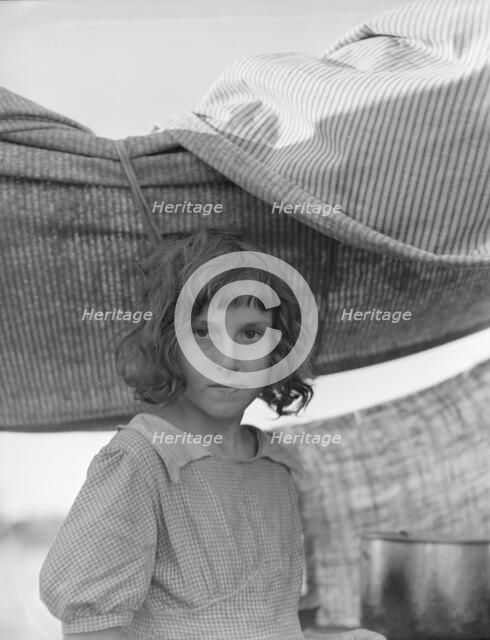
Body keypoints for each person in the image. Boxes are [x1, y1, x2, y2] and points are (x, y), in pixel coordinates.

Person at [39, 228, 385, 640]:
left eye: (250, 334)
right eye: (203, 333)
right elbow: (92, 629)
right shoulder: (141, 460)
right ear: (167, 343)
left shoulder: (277, 470)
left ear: (280, 351)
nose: (228, 360)